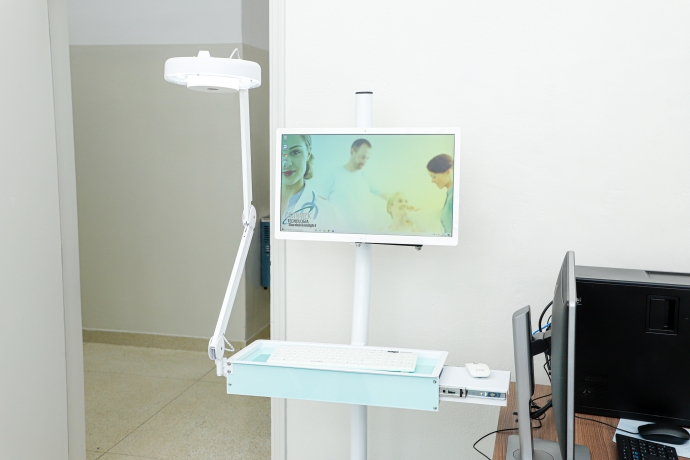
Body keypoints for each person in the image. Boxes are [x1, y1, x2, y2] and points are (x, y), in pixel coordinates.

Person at [317, 139, 389, 232]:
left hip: (361, 233)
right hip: (338, 232)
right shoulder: (333, 174)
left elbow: (385, 195)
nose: (364, 161)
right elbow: (320, 202)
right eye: (362, 156)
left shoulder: (366, 177)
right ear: (352, 152)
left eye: (367, 158)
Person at [280, 135, 340, 232]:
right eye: (280, 153)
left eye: (295, 152)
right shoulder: (260, 204)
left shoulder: (328, 213)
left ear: (308, 153)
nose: (286, 163)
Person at [427, 154, 454, 234]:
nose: (432, 181)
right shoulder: (450, 195)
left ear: (448, 172)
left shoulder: (454, 197)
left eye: (434, 176)